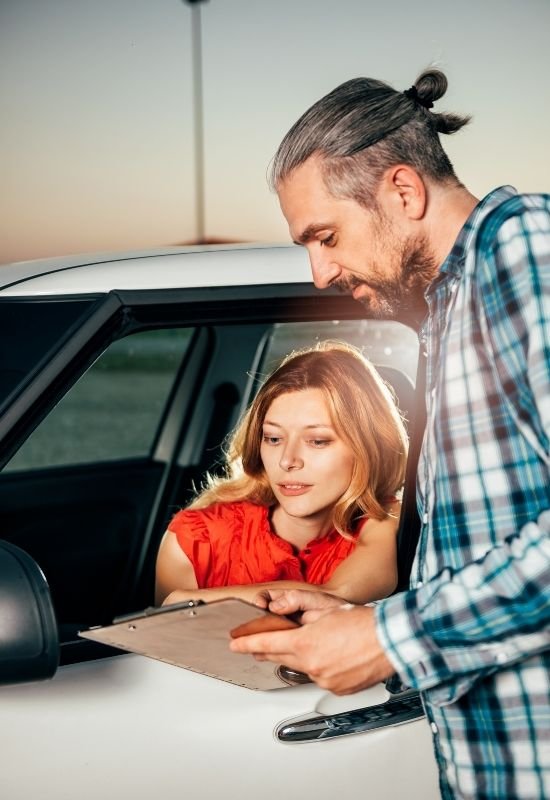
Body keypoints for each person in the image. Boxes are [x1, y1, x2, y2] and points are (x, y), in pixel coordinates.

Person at [230, 68, 550, 800]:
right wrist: (365, 619)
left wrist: (387, 640)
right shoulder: (447, 309)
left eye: (327, 236)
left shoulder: (528, 250)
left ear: (404, 193)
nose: (319, 273)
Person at [155, 341, 408, 608]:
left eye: (317, 441)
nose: (287, 461)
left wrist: (189, 601)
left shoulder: (387, 520)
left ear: (369, 447)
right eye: (274, 438)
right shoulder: (194, 541)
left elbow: (338, 592)